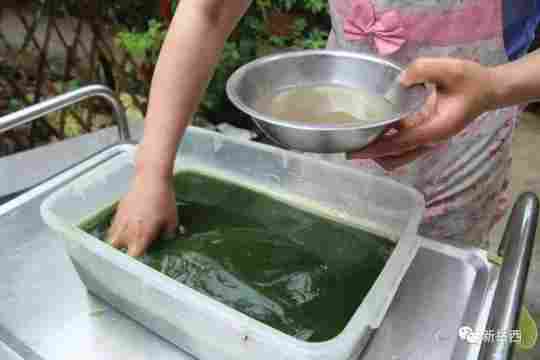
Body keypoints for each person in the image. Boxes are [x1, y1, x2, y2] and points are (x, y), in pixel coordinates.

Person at [107, 0, 540, 256]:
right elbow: (209, 10)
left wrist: (497, 86)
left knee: (430, 279)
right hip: (333, 128)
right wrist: (152, 171)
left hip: (466, 140)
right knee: (324, 250)